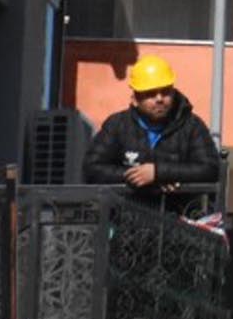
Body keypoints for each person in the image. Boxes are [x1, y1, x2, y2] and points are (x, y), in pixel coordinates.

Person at [84, 55, 225, 210]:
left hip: (179, 221)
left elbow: (210, 168)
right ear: (135, 99)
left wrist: (159, 173)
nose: (159, 99)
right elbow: (92, 167)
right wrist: (138, 177)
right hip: (126, 221)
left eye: (165, 92)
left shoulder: (192, 125)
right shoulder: (117, 125)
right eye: (150, 93)